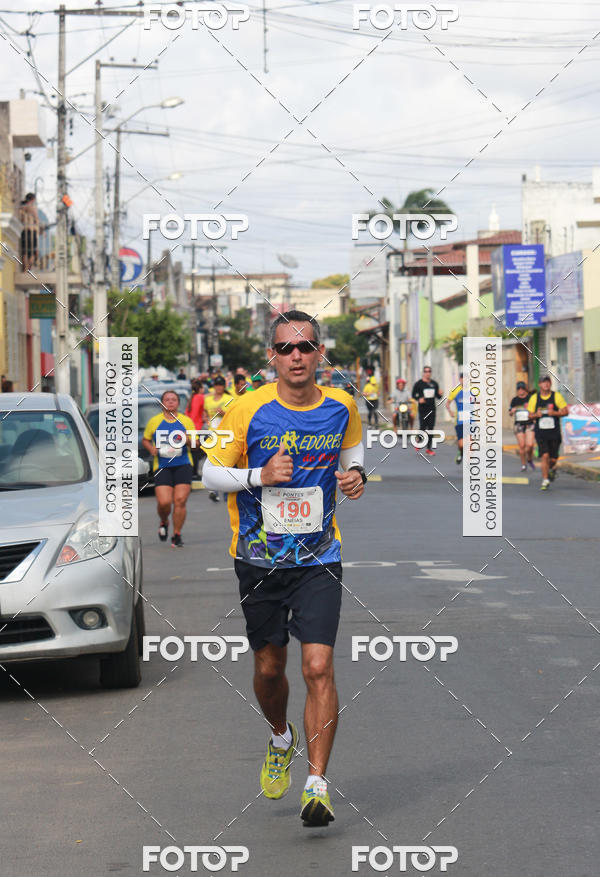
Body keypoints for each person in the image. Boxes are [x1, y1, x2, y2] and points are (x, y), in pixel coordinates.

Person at [201, 309, 366, 828]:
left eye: (306, 347)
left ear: (320, 353)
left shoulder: (341, 405)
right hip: (259, 558)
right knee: (270, 668)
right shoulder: (247, 409)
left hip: (321, 555)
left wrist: (356, 474)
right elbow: (208, 473)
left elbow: (354, 450)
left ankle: (317, 785)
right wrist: (258, 473)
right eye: (286, 348)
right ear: (272, 356)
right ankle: (280, 736)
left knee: (318, 666)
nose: (297, 356)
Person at [142, 390, 195, 547]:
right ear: (162, 403)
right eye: (167, 399)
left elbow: (197, 444)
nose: (170, 402)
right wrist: (151, 449)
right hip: (163, 465)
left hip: (183, 464)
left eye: (174, 399)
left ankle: (176, 534)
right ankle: (164, 521)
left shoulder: (186, 421)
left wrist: (187, 440)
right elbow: (146, 440)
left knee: (180, 500)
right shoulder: (154, 421)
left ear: (178, 403)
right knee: (164, 502)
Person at [527, 375, 568, 490]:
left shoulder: (556, 396)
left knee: (553, 459)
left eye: (547, 382)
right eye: (543, 382)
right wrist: (536, 415)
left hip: (554, 432)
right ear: (539, 385)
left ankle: (551, 469)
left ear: (550, 383)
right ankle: (545, 480)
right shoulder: (534, 398)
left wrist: (555, 413)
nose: (546, 384)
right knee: (545, 456)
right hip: (541, 433)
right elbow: (529, 415)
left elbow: (566, 411)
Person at [204, 376, 235, 502]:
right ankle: (213, 490)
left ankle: (227, 492)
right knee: (211, 461)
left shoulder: (229, 399)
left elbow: (234, 415)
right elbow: (205, 413)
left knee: (225, 464)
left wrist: (224, 413)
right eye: (216, 385)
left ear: (224, 386)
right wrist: (205, 420)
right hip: (212, 434)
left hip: (226, 435)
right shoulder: (208, 400)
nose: (218, 387)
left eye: (221, 385)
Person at [411, 366, 442, 455]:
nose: (427, 373)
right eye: (426, 371)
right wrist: (419, 399)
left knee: (431, 429)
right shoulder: (418, 384)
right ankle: (419, 439)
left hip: (432, 408)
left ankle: (429, 449)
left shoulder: (434, 384)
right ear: (423, 373)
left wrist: (440, 394)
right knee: (423, 427)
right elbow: (413, 395)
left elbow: (438, 397)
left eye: (429, 371)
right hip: (423, 409)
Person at [509, 381, 535, 472]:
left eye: (522, 388)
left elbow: (535, 411)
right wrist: (512, 411)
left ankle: (529, 458)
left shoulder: (531, 399)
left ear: (525, 389)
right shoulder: (514, 400)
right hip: (519, 424)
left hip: (529, 424)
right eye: (519, 389)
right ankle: (524, 464)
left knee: (530, 445)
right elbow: (510, 413)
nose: (520, 391)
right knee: (522, 445)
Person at [186, 378, 205, 477]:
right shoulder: (200, 397)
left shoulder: (191, 398)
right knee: (197, 451)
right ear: (200, 388)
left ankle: (192, 471)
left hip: (189, 428)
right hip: (197, 428)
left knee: (194, 451)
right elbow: (206, 407)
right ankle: (194, 473)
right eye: (202, 388)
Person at [446, 373, 465, 463]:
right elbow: (447, 403)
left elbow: (480, 401)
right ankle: (460, 453)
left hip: (471, 421)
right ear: (460, 379)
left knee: (470, 444)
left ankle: (469, 463)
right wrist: (450, 412)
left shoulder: (473, 390)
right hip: (459, 421)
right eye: (462, 379)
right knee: (461, 444)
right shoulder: (455, 391)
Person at [19, 193, 39, 272]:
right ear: (33, 199)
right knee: (32, 252)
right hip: (31, 231)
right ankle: (28, 269)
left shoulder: (21, 207)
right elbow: (36, 219)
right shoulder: (31, 207)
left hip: (24, 230)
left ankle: (25, 269)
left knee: (25, 251)